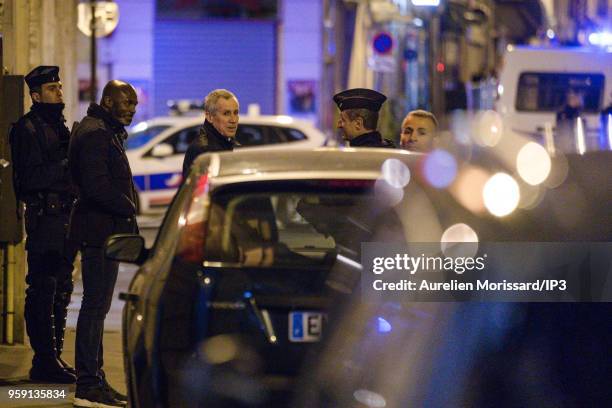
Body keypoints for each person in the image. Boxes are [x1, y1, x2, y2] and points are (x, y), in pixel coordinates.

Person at [68, 80, 139, 407]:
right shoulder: (97, 133)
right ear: (109, 101)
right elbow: (97, 186)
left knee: (97, 307)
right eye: (126, 103)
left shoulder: (103, 130)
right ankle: (88, 384)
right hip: (99, 233)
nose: (131, 110)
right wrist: (128, 205)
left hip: (102, 231)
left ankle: (95, 379)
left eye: (134, 104)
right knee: (95, 308)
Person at [9, 65, 77, 383]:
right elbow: (28, 179)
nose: (59, 92)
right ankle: (44, 361)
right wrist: (65, 165)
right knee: (42, 289)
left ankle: (55, 356)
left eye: (60, 87)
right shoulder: (28, 129)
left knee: (62, 289)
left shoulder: (58, 125)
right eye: (52, 89)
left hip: (64, 218)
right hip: (44, 219)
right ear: (36, 95)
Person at [182, 89, 240, 178]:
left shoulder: (222, 140)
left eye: (235, 113)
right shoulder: (206, 150)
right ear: (209, 117)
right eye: (226, 113)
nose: (233, 120)